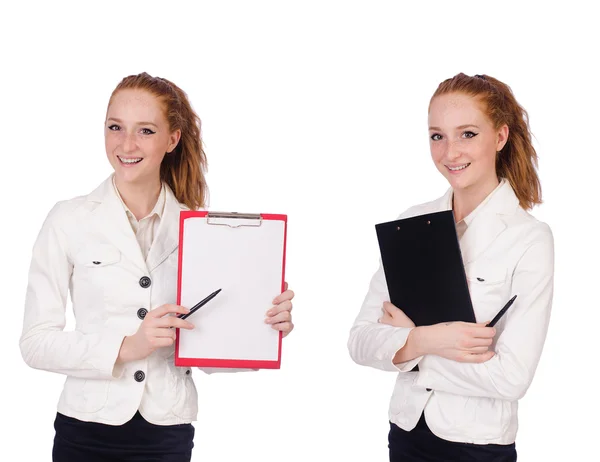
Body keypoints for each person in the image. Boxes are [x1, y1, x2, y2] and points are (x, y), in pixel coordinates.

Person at [20, 72, 295, 462]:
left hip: (166, 431)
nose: (126, 144)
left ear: (172, 139)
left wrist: (263, 328)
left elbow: (206, 347)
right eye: (115, 127)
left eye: (145, 131)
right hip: (85, 429)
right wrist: (129, 346)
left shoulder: (200, 231)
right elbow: (35, 343)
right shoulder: (68, 219)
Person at [348, 73, 554, 461]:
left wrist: (411, 346)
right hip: (406, 434)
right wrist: (434, 340)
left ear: (500, 137)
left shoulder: (529, 239)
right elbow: (359, 341)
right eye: (437, 136)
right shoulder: (412, 223)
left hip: (478, 447)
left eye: (468, 134)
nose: (450, 153)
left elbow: (511, 378)